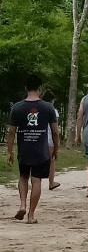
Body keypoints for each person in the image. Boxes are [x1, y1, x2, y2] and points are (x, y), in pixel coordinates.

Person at [6, 74, 59, 223]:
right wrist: (56, 148)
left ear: (25, 88)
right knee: (36, 181)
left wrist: (9, 151)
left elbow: (11, 132)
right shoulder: (48, 107)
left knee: (23, 177)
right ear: (40, 89)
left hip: (24, 150)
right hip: (41, 152)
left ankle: (22, 204)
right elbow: (55, 132)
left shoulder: (17, 107)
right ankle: (31, 215)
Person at [41, 89, 61, 190]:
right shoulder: (53, 110)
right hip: (49, 139)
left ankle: (35, 181)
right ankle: (51, 182)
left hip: (39, 139)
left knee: (38, 161)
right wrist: (57, 142)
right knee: (52, 161)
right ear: (51, 100)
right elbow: (55, 130)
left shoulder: (39, 109)